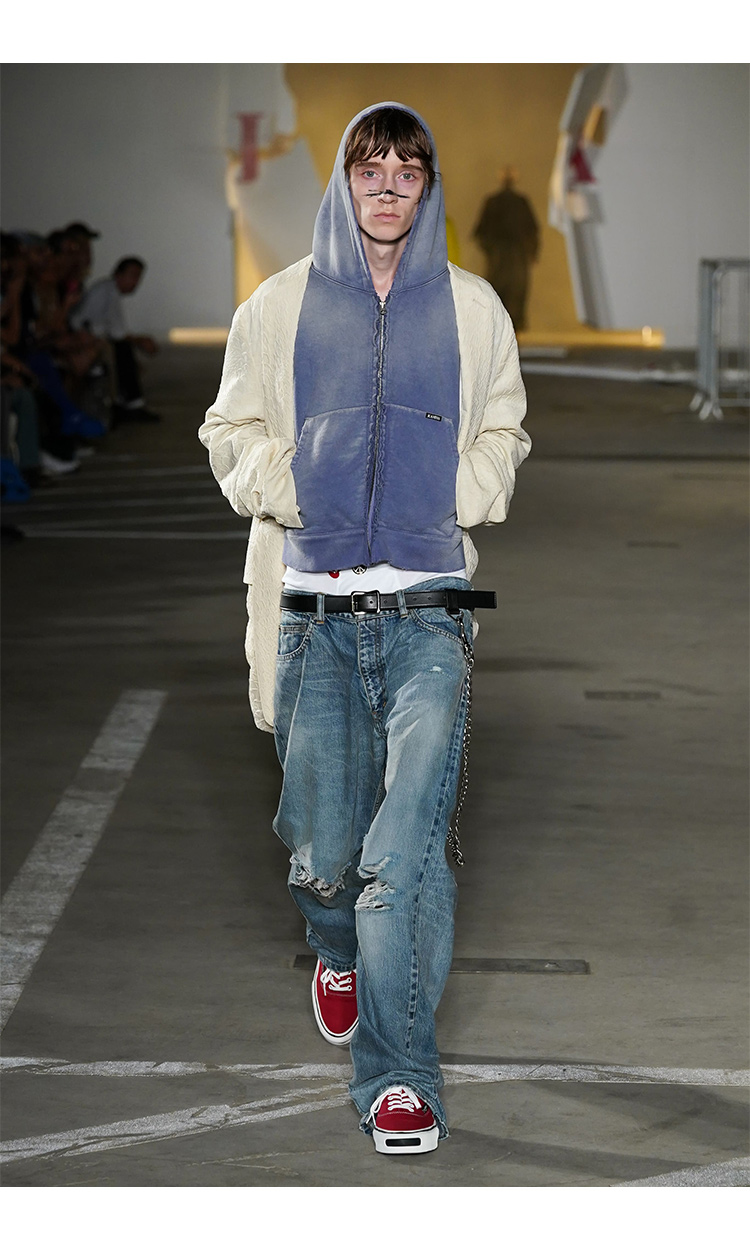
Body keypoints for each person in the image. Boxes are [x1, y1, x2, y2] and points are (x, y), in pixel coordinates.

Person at [199, 102, 530, 1155]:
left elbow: (505, 426)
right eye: (369, 168)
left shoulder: (472, 308)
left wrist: (457, 493)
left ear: (427, 187)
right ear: (343, 183)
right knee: (327, 859)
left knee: (406, 861)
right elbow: (228, 427)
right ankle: (333, 946)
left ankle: (399, 1079)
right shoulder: (278, 305)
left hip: (430, 612)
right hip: (316, 615)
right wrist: (290, 484)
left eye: (407, 170)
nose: (388, 187)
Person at [70, 256, 160, 423]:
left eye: (138, 277)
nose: (136, 282)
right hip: (82, 339)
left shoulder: (109, 291)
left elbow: (115, 330)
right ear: (118, 274)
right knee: (122, 351)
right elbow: (114, 333)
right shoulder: (106, 291)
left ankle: (125, 402)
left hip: (90, 338)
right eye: (132, 276)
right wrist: (140, 342)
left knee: (122, 351)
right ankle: (130, 404)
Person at [473, 166, 540, 331]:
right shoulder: (520, 202)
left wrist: (489, 250)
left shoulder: (494, 202)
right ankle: (512, 327)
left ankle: (501, 326)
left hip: (501, 256)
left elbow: (480, 232)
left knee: (500, 290)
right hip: (514, 255)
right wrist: (532, 252)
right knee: (515, 290)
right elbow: (532, 230)